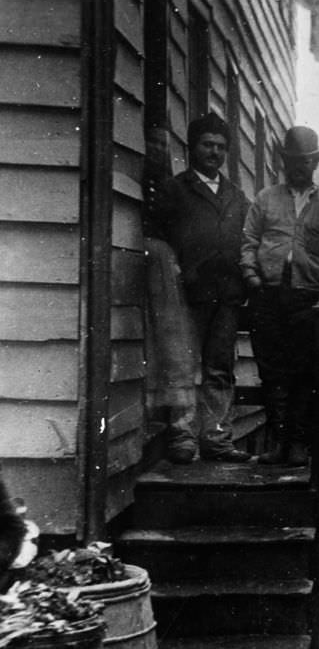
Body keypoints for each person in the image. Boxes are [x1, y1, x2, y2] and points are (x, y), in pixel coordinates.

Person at [241, 126, 319, 466]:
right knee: (272, 371)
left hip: (307, 301)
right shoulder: (265, 199)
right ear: (284, 162)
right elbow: (248, 242)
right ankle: (278, 443)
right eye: (292, 160)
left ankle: (299, 446)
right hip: (268, 296)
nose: (298, 167)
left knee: (304, 373)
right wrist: (252, 276)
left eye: (305, 161)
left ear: (315, 163)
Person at [153, 113, 251, 463]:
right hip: (186, 294)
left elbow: (247, 243)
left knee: (219, 367)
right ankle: (182, 437)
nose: (214, 152)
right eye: (207, 145)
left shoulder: (237, 197)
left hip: (226, 295)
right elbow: (160, 238)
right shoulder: (175, 190)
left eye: (221, 147)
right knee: (183, 366)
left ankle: (216, 437)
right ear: (193, 147)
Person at [142, 124, 197, 459]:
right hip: (139, 267)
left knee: (174, 344)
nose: (158, 151)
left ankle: (180, 426)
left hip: (167, 270)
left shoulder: (174, 189)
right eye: (152, 143)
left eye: (164, 145)